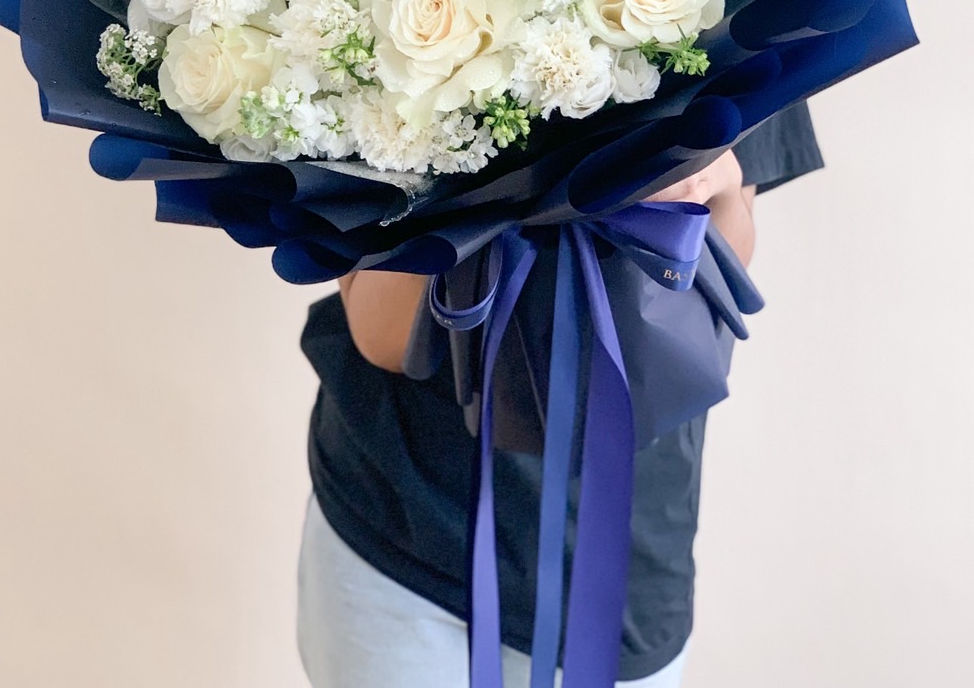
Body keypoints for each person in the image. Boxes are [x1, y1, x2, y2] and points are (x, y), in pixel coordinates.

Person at [297, 106, 823, 687]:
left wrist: (713, 180)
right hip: (404, 527)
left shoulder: (739, 14)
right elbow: (385, 336)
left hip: (625, 552)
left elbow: (719, 272)